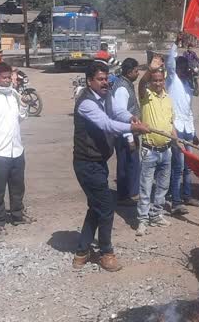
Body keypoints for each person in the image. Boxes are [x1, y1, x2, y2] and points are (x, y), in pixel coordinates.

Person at [72, 61, 149, 272]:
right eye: (100, 79)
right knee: (106, 207)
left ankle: (81, 252)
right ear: (90, 81)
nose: (105, 83)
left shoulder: (106, 96)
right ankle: (106, 252)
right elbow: (107, 123)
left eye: (106, 79)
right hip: (86, 164)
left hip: (99, 162)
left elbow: (118, 112)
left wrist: (131, 118)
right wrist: (134, 129)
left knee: (96, 206)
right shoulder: (86, 103)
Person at [0, 62, 33, 236]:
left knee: (17, 186)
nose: (8, 81)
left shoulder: (14, 94)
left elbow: (21, 118)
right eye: (4, 78)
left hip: (17, 150)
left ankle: (17, 215)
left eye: (10, 77)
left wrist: (23, 104)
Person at [135, 56, 176, 236]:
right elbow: (141, 84)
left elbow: (170, 122)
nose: (158, 83)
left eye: (160, 80)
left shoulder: (168, 98)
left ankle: (156, 214)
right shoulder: (146, 95)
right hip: (149, 151)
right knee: (145, 187)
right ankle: (142, 220)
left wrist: (176, 138)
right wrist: (150, 70)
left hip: (166, 150)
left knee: (162, 186)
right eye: (155, 80)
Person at [165, 40, 199, 215]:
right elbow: (170, 62)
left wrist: (194, 132)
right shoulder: (172, 80)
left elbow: (188, 111)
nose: (185, 70)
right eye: (182, 68)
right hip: (176, 128)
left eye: (186, 68)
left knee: (189, 165)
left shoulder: (187, 85)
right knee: (178, 166)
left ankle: (187, 195)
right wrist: (175, 43)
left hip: (187, 128)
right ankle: (176, 200)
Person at [112, 58, 142, 206]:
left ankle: (129, 194)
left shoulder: (125, 84)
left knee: (131, 163)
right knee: (126, 164)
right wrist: (129, 137)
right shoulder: (122, 89)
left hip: (129, 133)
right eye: (136, 71)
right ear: (129, 72)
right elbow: (121, 115)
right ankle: (126, 196)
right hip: (125, 135)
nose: (138, 73)